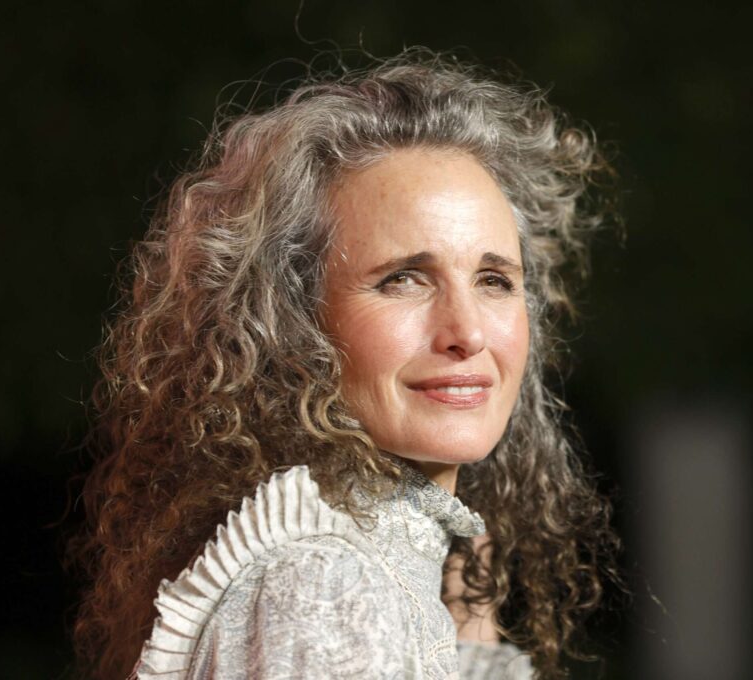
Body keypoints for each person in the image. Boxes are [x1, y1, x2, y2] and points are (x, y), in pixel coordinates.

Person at [70, 48, 622, 680]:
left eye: (494, 279)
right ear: (289, 322)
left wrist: (470, 627)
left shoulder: (374, 569)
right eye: (404, 279)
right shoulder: (325, 590)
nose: (467, 331)